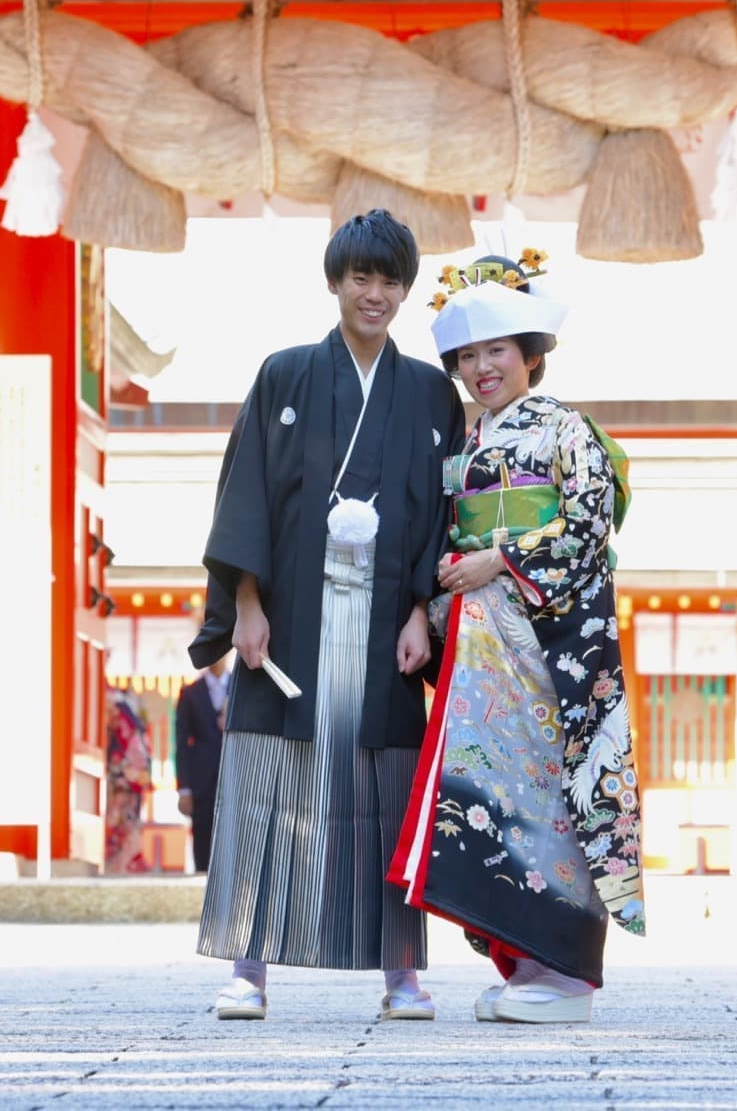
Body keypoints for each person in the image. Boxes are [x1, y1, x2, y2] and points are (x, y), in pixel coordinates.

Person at [189, 209, 466, 1022]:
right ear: (335, 282)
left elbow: (443, 515)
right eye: (360, 277)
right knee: (268, 780)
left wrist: (423, 610)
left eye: (389, 280)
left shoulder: (426, 392)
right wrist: (244, 603)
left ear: (406, 290)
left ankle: (402, 974)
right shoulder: (286, 374)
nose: (373, 294)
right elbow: (245, 492)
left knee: (385, 792)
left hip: (386, 622)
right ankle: (249, 967)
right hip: (292, 621)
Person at [390, 250, 646, 1024]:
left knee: (549, 794)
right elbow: (439, 544)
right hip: (479, 650)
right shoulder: (464, 448)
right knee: (488, 799)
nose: (481, 368)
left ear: (532, 354)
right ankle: (522, 960)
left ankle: (567, 974)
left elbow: (590, 525)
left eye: (496, 351)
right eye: (467, 356)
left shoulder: (568, 431)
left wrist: (499, 557)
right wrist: (429, 604)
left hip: (549, 646)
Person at [174, 654, 231, 871]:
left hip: (234, 776)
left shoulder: (240, 688)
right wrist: (184, 789)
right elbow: (181, 742)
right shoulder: (190, 693)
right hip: (201, 782)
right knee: (203, 838)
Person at [104, 687, 154, 875]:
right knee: (121, 822)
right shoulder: (118, 702)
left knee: (123, 821)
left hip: (124, 773)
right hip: (124, 774)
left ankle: (122, 865)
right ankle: (121, 865)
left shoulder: (115, 701)